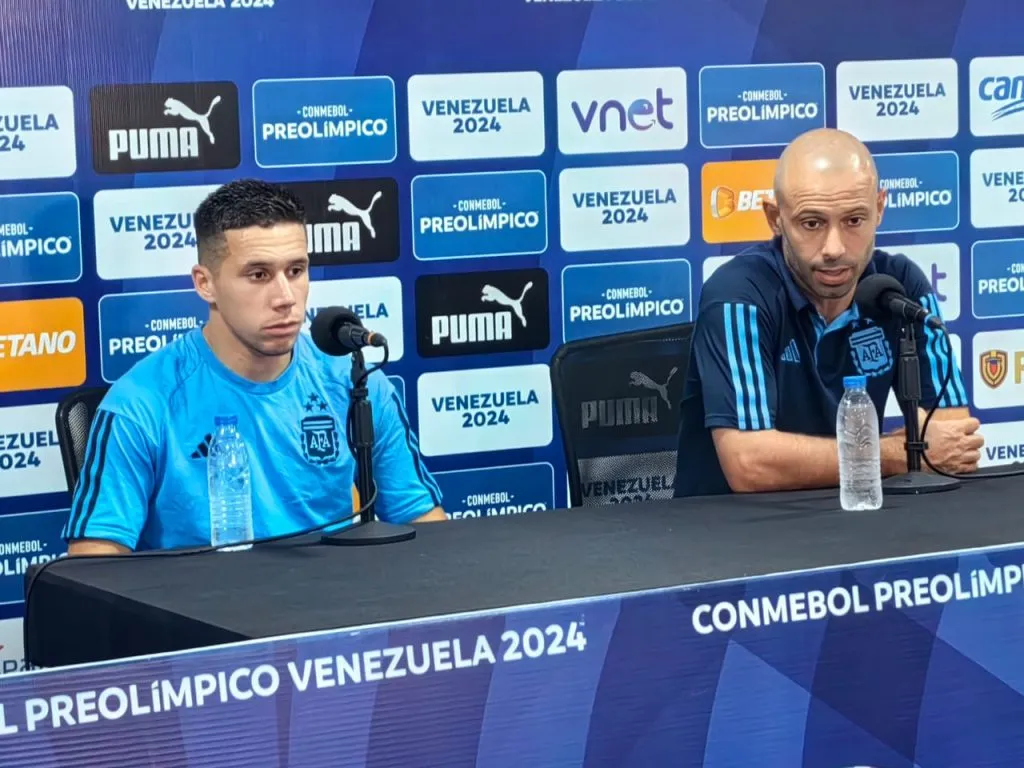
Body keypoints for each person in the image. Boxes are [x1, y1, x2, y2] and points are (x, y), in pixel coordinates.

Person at [63, 179, 445, 554]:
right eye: (258, 275)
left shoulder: (356, 382)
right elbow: (95, 560)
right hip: (199, 596)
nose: (285, 298)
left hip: (333, 592)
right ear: (205, 284)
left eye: (296, 271)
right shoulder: (141, 402)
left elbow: (426, 527)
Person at [674, 128, 983, 498]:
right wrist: (899, 453)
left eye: (854, 220)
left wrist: (904, 451)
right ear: (775, 218)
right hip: (736, 527)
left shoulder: (899, 287)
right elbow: (749, 464)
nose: (834, 248)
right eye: (812, 223)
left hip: (858, 515)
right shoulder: (739, 294)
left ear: (879, 209)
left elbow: (953, 438)